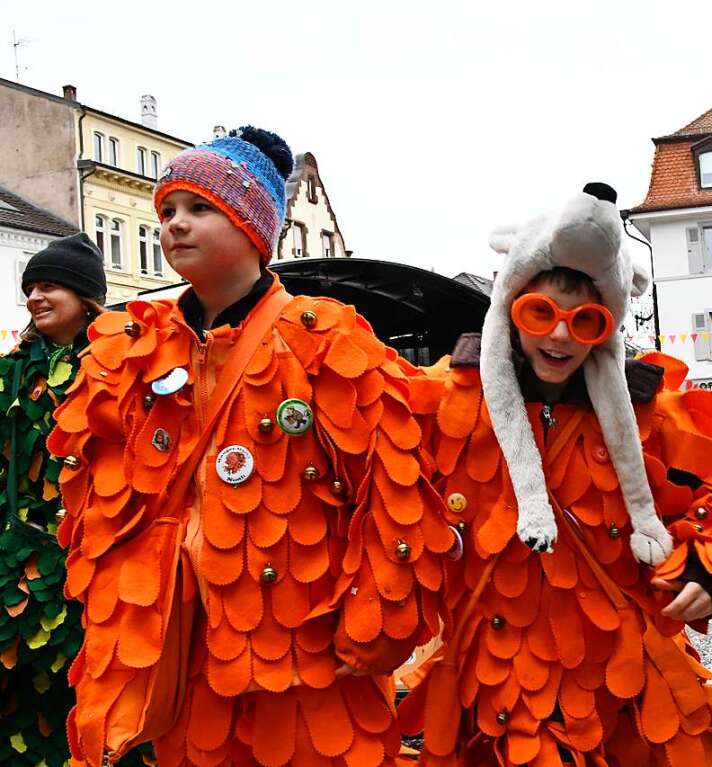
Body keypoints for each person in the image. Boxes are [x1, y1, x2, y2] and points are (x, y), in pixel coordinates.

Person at [47, 127, 452, 767]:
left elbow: (395, 481)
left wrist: (378, 615)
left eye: (199, 209)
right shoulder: (135, 350)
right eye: (167, 212)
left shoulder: (322, 338)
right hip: (183, 647)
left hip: (307, 648)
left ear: (254, 227)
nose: (175, 226)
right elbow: (98, 493)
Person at [398, 184, 712, 766]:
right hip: (497, 679)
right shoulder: (441, 403)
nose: (559, 336)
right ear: (510, 308)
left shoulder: (653, 410)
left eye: (584, 321)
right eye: (540, 314)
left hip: (627, 682)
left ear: (606, 328)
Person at [0, 235, 132, 767]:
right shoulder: (11, 371)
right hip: (21, 563)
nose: (34, 296)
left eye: (48, 285)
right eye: (29, 287)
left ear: (85, 297)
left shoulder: (122, 365)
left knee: (97, 692)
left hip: (103, 561)